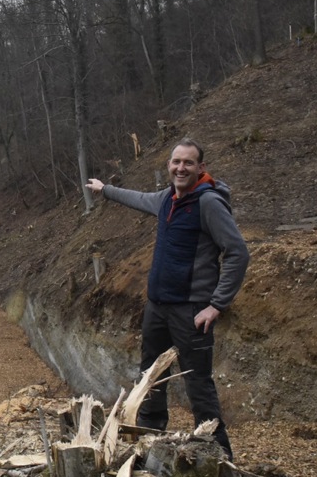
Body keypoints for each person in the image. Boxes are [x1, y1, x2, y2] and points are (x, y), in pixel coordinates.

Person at [86, 139, 249, 459]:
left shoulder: (208, 203)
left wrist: (216, 304)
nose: (181, 168)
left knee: (197, 383)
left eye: (188, 162)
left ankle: (219, 457)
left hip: (192, 309)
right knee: (150, 377)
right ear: (169, 165)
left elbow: (237, 253)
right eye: (176, 162)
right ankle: (149, 446)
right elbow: (137, 198)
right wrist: (106, 190)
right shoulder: (166, 199)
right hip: (158, 307)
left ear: (201, 168)